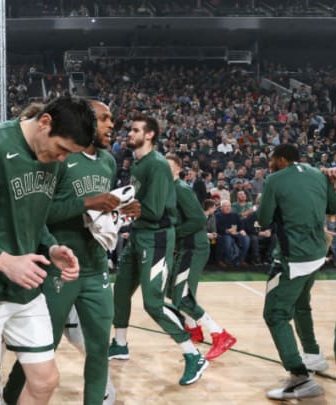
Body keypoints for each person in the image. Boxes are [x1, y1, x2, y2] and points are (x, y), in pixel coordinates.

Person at [0, 96, 94, 405]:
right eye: (62, 149)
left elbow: (33, 217)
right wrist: (4, 261)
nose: (63, 159)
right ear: (45, 122)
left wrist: (51, 248)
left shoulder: (53, 162)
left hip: (25, 291)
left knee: (45, 381)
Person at [2, 101, 141, 405]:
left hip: (95, 266)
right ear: (86, 122)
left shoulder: (107, 161)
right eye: (105, 119)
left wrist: (122, 210)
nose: (111, 126)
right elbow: (40, 211)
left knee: (99, 349)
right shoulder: (59, 158)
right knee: (41, 348)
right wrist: (89, 203)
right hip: (59, 268)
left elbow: (102, 215)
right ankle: (9, 398)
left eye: (111, 119)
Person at [108, 115, 208, 386]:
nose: (130, 133)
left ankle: (193, 354)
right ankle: (120, 344)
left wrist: (113, 206)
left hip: (157, 238)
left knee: (153, 303)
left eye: (136, 130)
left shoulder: (158, 164)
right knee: (120, 292)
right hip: (140, 235)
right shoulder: (139, 163)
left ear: (150, 135)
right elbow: (139, 206)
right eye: (130, 129)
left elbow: (152, 210)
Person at [258, 143, 336, 400]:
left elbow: (264, 218)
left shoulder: (274, 179)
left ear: (281, 159)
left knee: (275, 314)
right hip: (317, 253)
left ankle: (300, 377)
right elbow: (332, 209)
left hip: (293, 256)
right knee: (302, 304)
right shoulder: (318, 174)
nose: (270, 163)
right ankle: (313, 355)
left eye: (272, 159)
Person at [165, 154, 237, 359]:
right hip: (186, 247)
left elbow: (198, 219)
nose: (164, 168)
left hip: (194, 247)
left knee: (181, 295)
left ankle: (220, 334)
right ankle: (193, 329)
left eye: (169, 165)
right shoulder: (170, 189)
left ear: (179, 169)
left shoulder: (181, 189)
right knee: (173, 290)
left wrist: (174, 234)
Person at [214, 200, 249, 267]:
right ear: (221, 208)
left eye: (229, 206)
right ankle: (230, 260)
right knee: (228, 239)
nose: (228, 208)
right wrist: (227, 230)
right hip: (224, 234)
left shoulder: (235, 214)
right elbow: (217, 227)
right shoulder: (217, 215)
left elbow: (240, 224)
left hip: (235, 233)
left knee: (246, 238)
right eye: (225, 206)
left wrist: (242, 230)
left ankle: (240, 259)